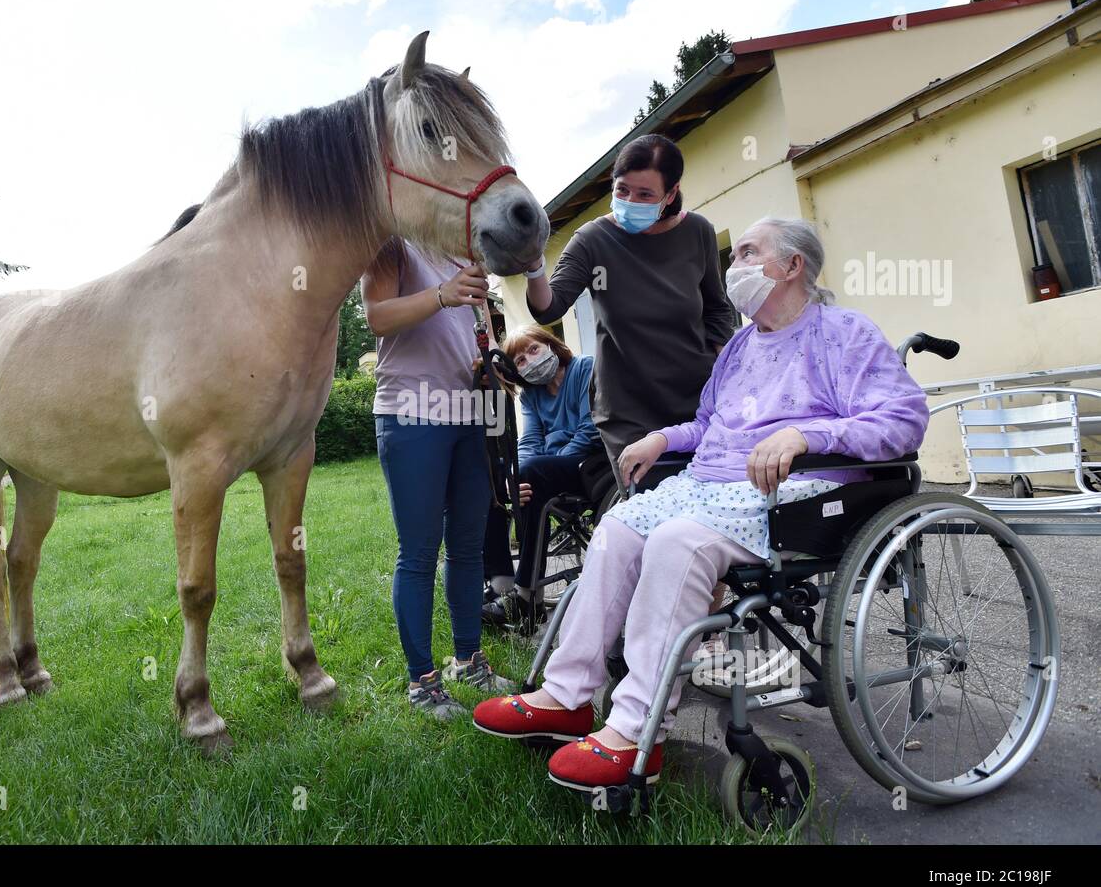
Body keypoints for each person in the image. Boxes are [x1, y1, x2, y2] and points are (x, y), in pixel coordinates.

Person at [473, 217, 930, 791]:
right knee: (615, 530)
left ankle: (636, 729)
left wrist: (808, 436)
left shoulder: (843, 333)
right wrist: (665, 438)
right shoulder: (740, 344)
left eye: (746, 253)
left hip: (797, 489)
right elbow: (712, 424)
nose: (732, 267)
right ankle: (566, 694)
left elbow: (904, 419)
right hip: (710, 483)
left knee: (676, 542)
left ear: (792, 266)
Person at [521, 134, 735, 490]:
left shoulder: (698, 232)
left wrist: (724, 373)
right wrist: (533, 267)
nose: (630, 201)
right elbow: (549, 307)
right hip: (629, 412)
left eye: (645, 195)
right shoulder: (593, 239)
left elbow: (717, 309)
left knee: (713, 507)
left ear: (671, 193)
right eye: (622, 191)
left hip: (698, 404)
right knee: (652, 513)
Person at [361, 237, 512, 720]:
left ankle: (469, 660)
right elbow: (377, 316)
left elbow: (480, 334)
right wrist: (442, 295)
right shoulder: (393, 245)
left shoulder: (471, 259)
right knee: (420, 551)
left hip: (469, 413)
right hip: (410, 414)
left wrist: (488, 364)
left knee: (469, 546)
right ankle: (422, 680)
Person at [482, 326, 602, 622]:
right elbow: (530, 442)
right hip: (549, 468)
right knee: (492, 477)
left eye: (533, 349)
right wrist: (512, 478)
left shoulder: (584, 368)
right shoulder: (531, 396)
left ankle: (526, 598)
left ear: (551, 345)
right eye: (520, 360)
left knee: (533, 473)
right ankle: (502, 583)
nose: (529, 360)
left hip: (589, 464)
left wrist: (539, 468)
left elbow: (589, 430)